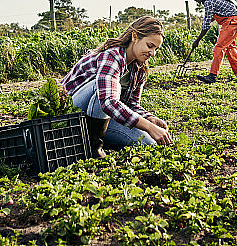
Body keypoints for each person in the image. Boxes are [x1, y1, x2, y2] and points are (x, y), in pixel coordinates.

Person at [61, 16, 172, 158]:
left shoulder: (139, 68)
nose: (152, 53)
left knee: (148, 144)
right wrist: (149, 127)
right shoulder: (112, 56)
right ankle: (93, 149)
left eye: (156, 49)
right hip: (70, 116)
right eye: (150, 46)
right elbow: (108, 102)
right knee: (106, 88)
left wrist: (149, 118)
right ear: (135, 36)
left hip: (97, 121)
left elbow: (131, 104)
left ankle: (98, 140)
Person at [190, 0, 237, 83]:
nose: (195, 0)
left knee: (219, 46)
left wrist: (197, 41)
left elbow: (206, 27)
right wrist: (207, 20)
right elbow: (218, 13)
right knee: (230, 46)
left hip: (232, 21)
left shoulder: (208, 2)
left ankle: (212, 76)